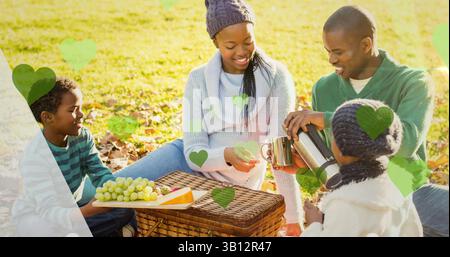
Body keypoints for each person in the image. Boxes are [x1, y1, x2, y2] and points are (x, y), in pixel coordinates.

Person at [115, 0, 303, 236]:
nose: (242, 52)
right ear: (215, 42)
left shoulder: (276, 78)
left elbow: (280, 149)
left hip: (229, 188)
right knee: (110, 194)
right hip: (184, 162)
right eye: (230, 45)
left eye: (248, 41)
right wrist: (226, 155)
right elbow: (193, 152)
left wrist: (293, 218)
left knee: (134, 209)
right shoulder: (199, 80)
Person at [283, 5, 447, 237]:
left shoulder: (413, 82)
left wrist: (328, 119)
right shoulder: (324, 88)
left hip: (409, 195)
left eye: (338, 52)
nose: (331, 59)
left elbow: (407, 142)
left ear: (366, 45)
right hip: (350, 201)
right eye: (328, 51)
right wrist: (305, 165)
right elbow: (336, 167)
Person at [12, 78, 136, 237]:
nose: (81, 114)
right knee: (50, 231)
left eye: (81, 108)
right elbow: (49, 212)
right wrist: (90, 210)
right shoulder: (35, 157)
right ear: (48, 117)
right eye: (73, 110)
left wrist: (116, 194)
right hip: (38, 216)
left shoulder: (82, 136)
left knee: (124, 210)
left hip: (73, 209)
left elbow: (99, 173)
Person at [301, 99, 423, 236]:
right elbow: (413, 232)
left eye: (333, 136)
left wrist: (314, 225)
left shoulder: (344, 204)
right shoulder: (398, 186)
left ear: (342, 149)